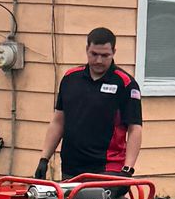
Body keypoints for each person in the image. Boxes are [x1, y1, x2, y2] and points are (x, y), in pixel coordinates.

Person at [36, 27, 143, 179]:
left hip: (107, 167)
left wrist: (128, 169)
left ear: (114, 52)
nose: (99, 60)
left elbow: (135, 128)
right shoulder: (70, 78)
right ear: (87, 49)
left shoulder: (125, 84)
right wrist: (44, 159)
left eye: (105, 55)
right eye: (94, 54)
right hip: (71, 167)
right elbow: (58, 121)